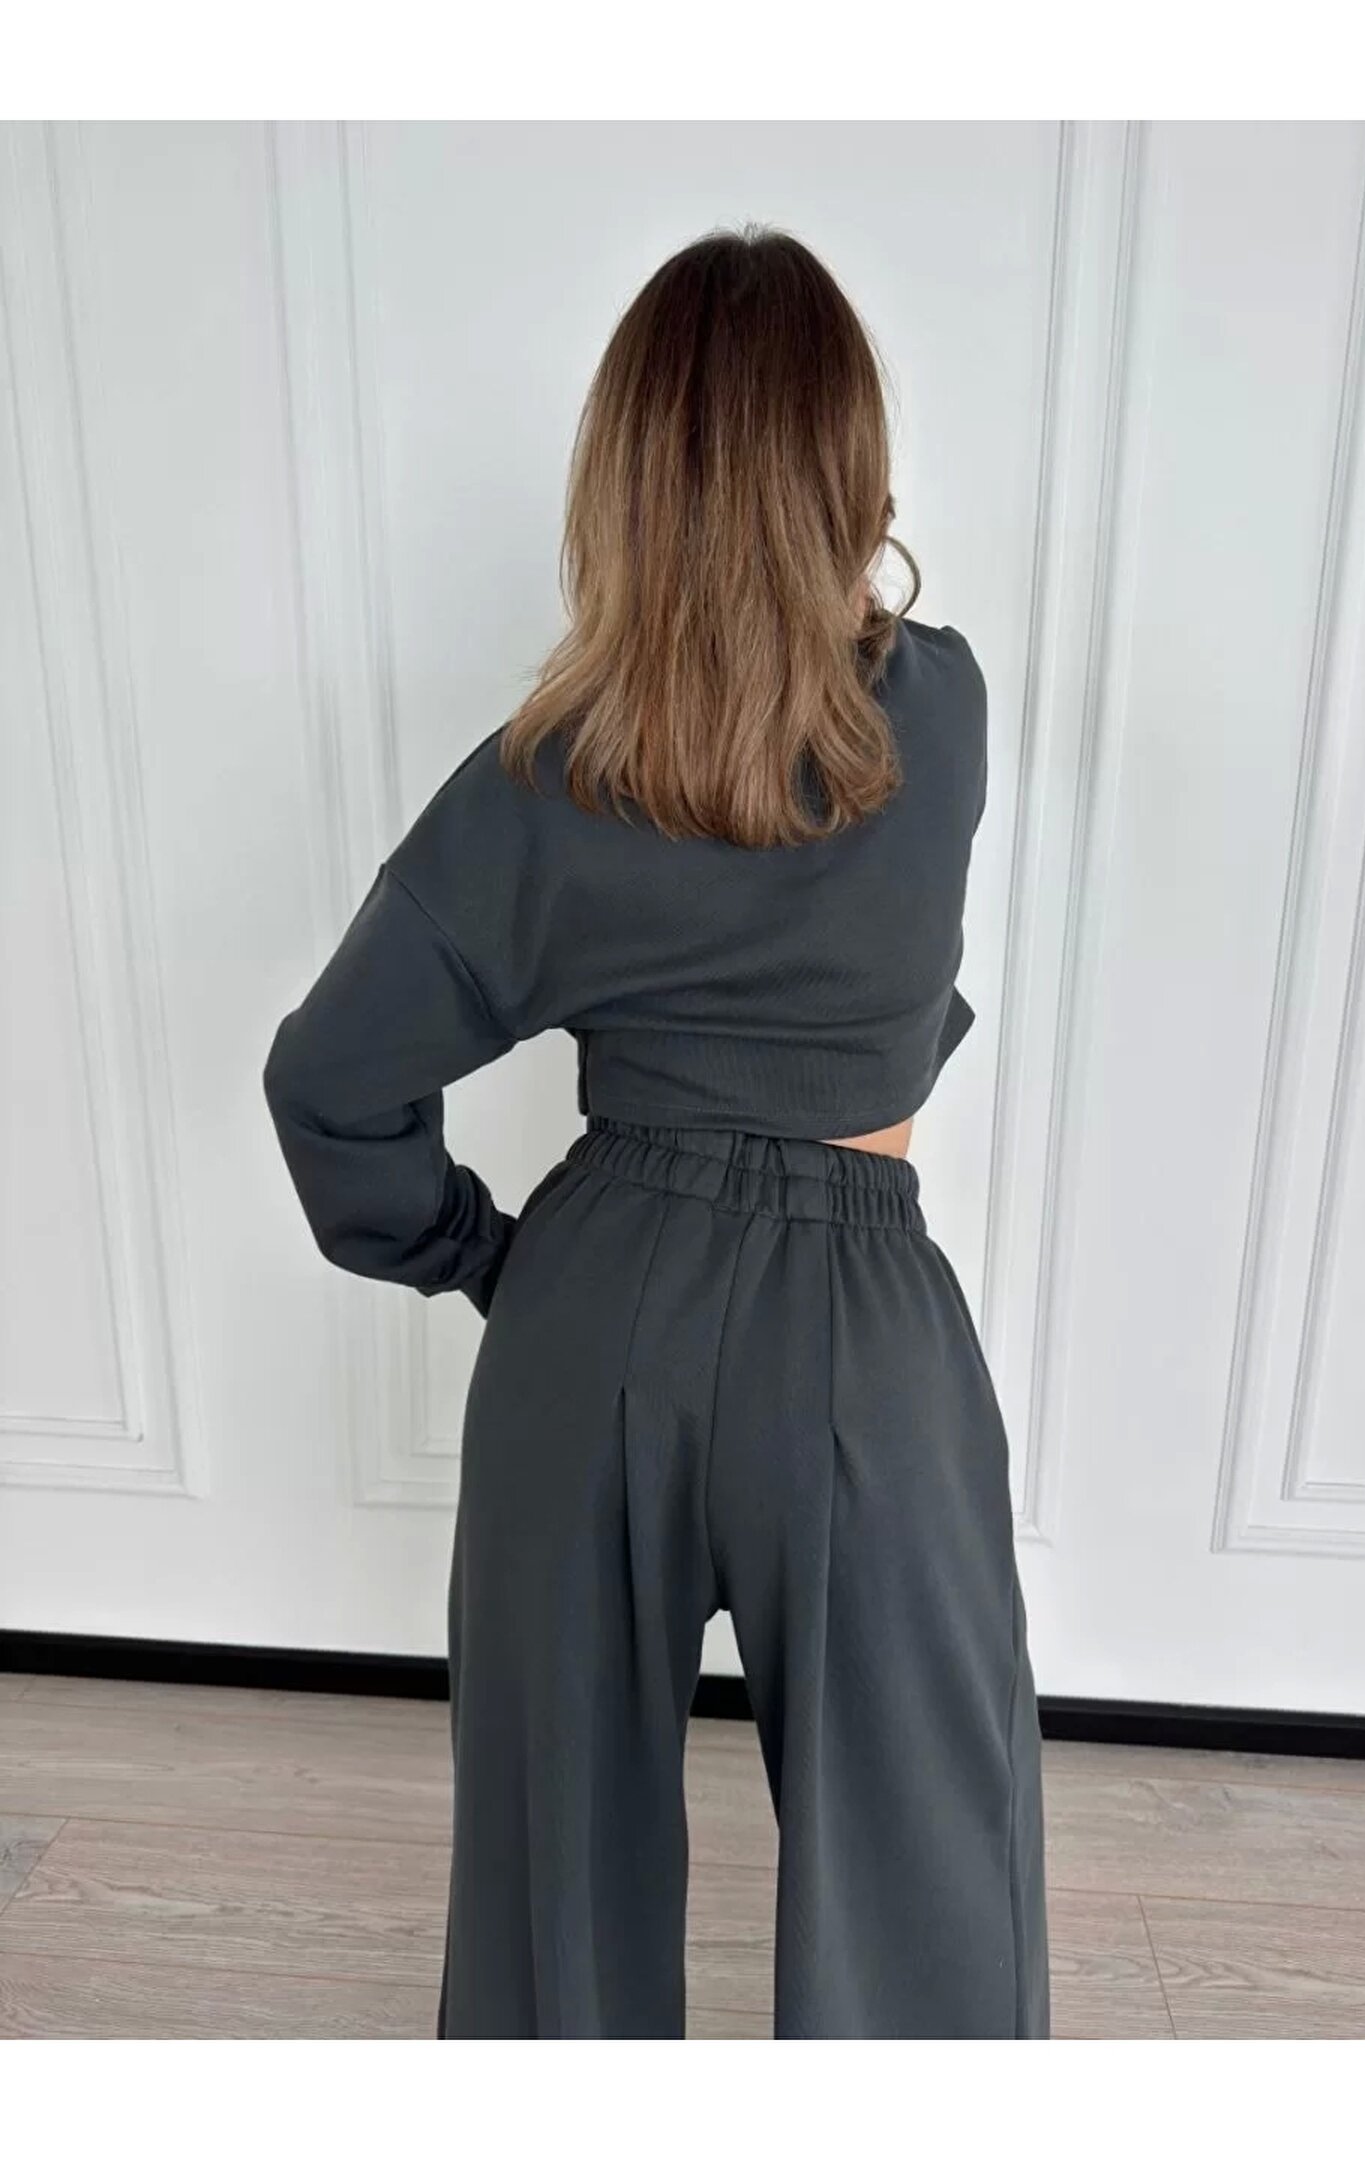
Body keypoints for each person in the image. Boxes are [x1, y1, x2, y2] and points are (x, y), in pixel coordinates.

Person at [262, 224, 1049, 2041]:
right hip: (859, 1319)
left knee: (557, 1882)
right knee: (929, 1881)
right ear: (850, 468)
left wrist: (492, 1259)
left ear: (620, 483)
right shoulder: (938, 710)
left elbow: (331, 1083)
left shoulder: (542, 782)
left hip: (598, 1298)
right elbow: (902, 1004)